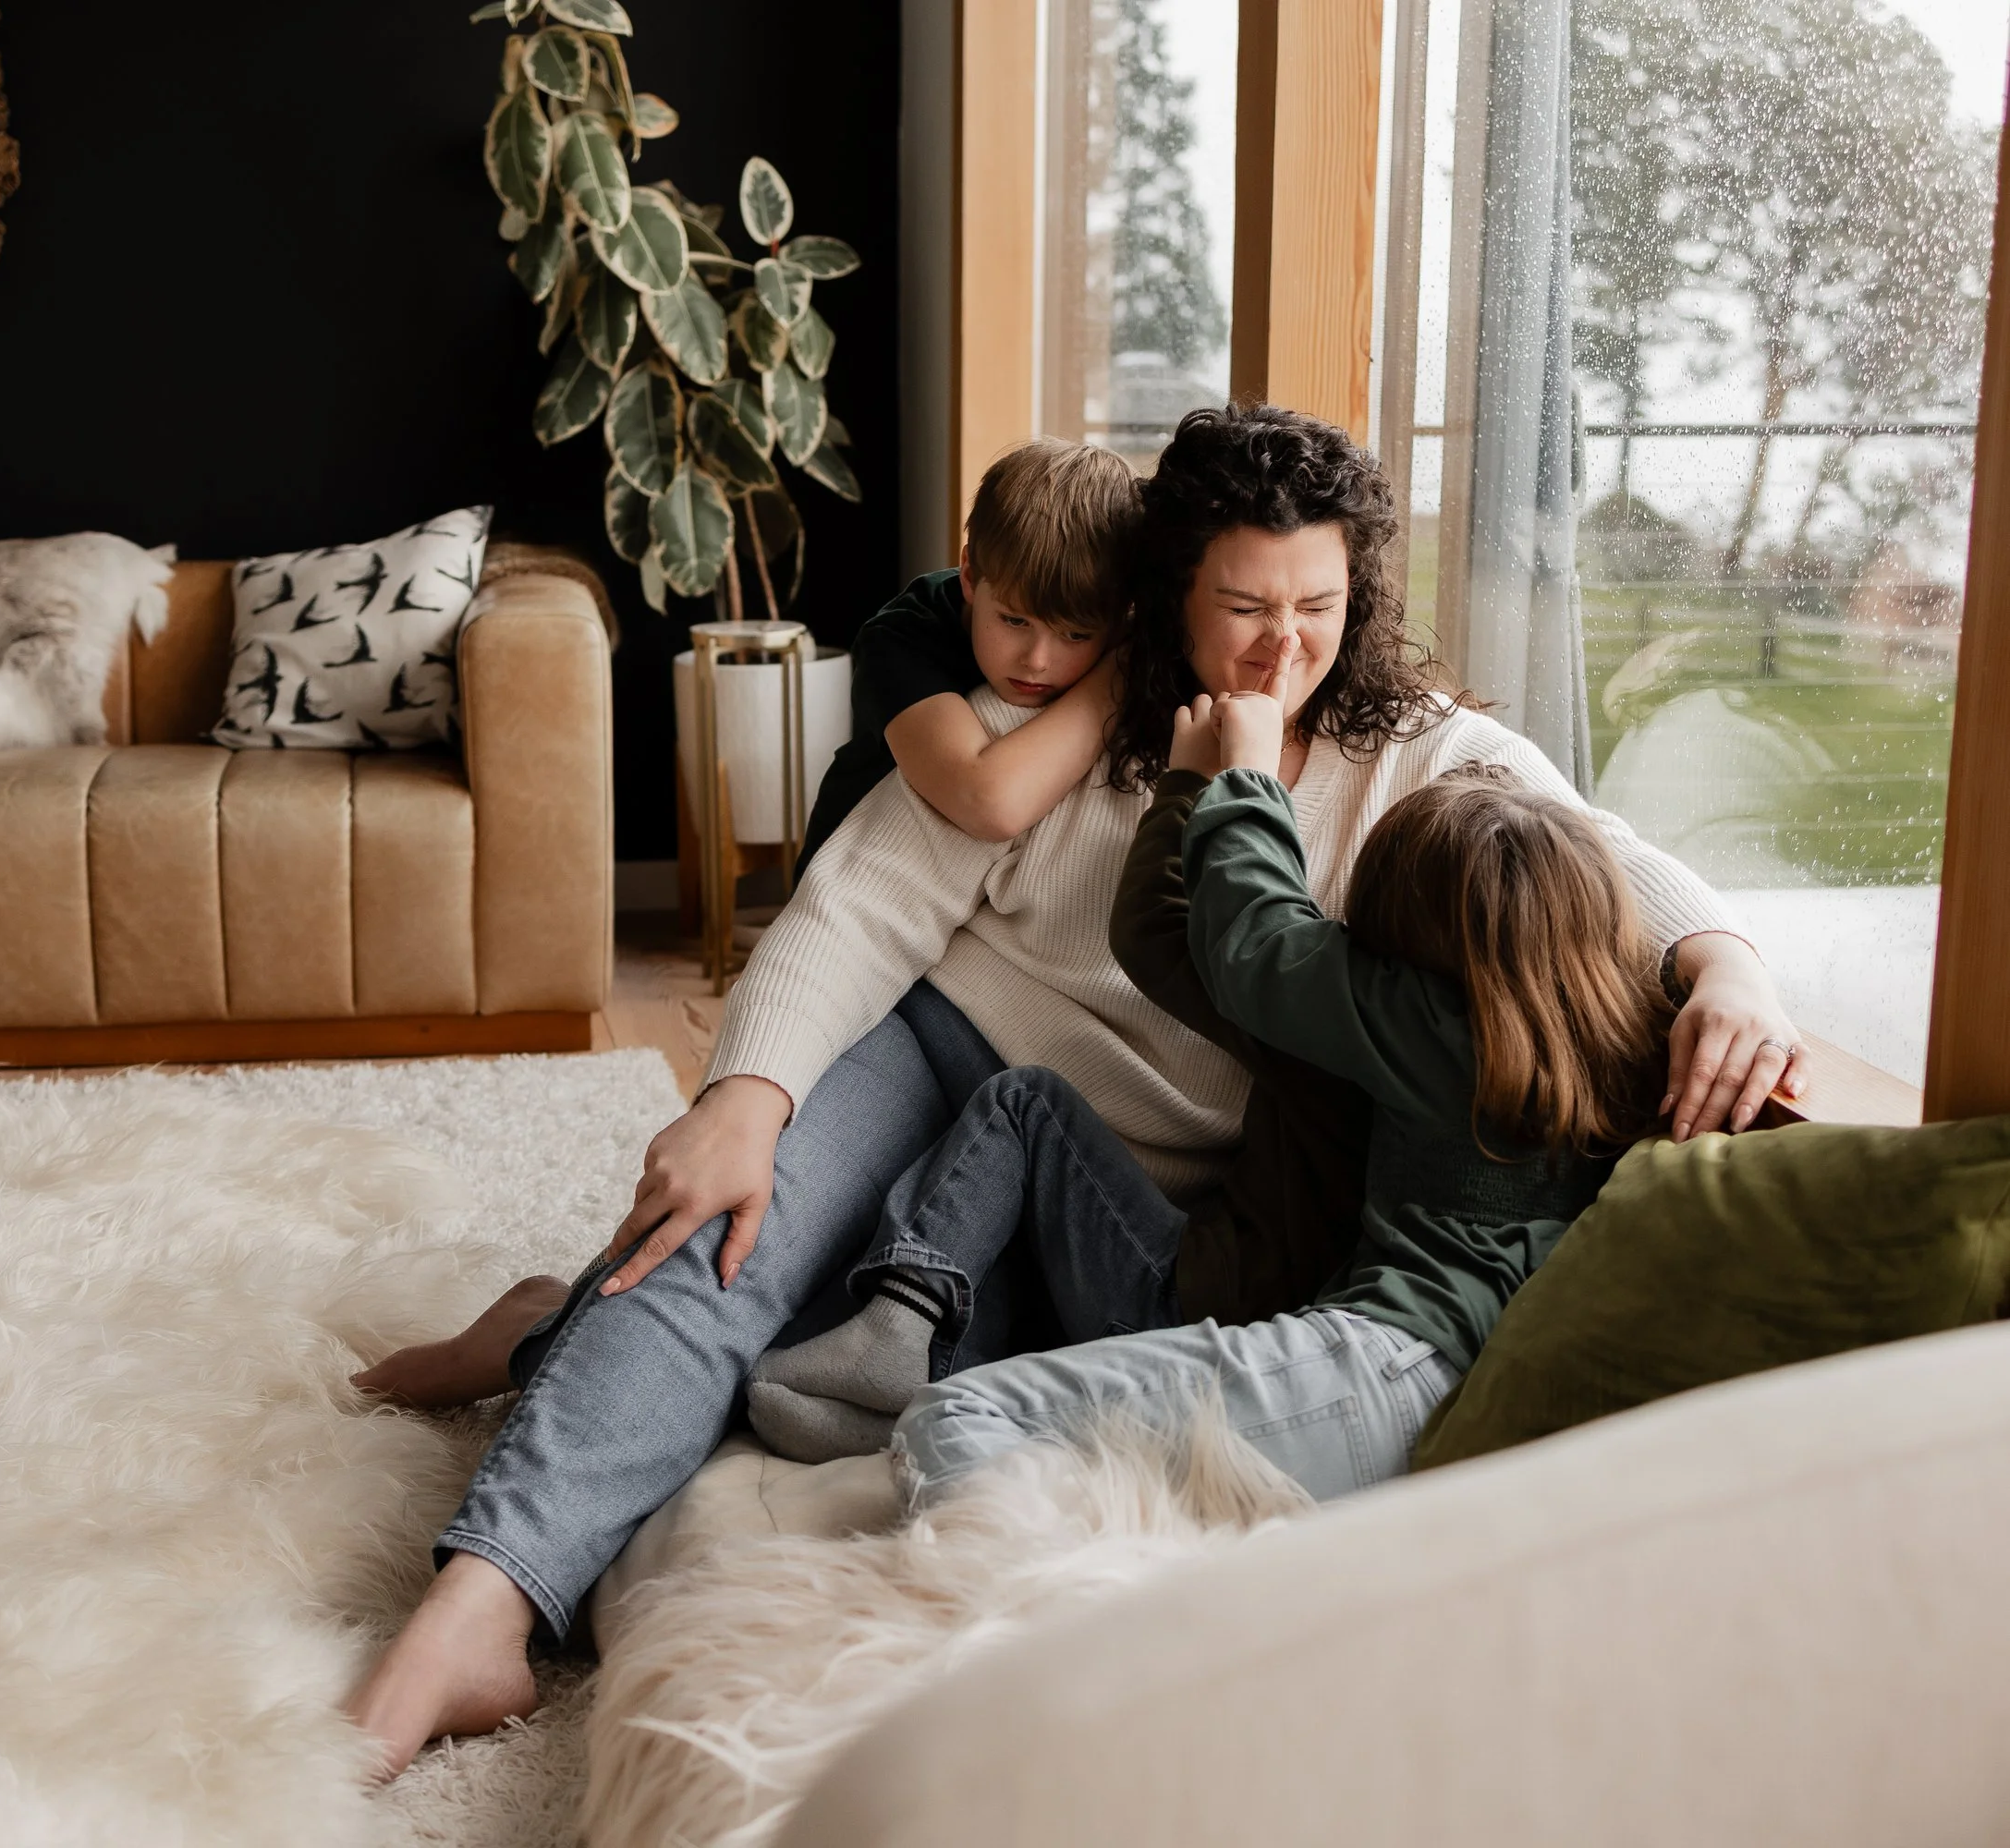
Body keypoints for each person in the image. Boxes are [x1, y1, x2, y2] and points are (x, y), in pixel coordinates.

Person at [343, 404, 1800, 1776]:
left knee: (816, 1347)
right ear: (1173, 596)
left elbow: (1603, 854)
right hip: (952, 1049)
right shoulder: (1052, 728)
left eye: (1318, 604)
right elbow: (860, 906)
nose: (1283, 643)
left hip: (1143, 1190)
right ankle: (479, 1614)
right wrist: (748, 1096)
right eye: (1245, 606)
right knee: (723, 1240)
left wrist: (1727, 964)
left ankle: (544, 1328)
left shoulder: (1420, 755)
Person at [875, 710, 1678, 1507]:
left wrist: (1237, 773)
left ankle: (904, 1342)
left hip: (1373, 1361)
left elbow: (1246, 934)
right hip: (1483, 1386)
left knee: (951, 1414)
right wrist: (1720, 966)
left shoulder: (1399, 1020)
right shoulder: (1635, 1041)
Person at [796, 439, 1138, 872]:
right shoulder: (901, 639)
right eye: (1014, 621)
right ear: (971, 577)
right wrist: (1120, 674)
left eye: (1075, 634)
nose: (1037, 660)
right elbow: (990, 804)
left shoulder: (1112, 617)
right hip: (851, 878)